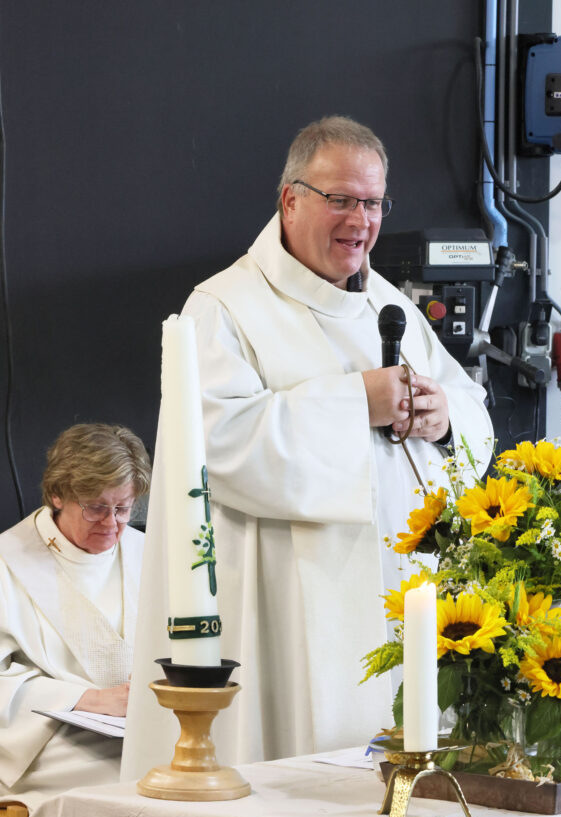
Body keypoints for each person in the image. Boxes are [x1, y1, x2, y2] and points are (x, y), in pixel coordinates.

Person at [122, 116, 492, 779]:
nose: (361, 219)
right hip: (294, 599)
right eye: (341, 199)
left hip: (400, 588)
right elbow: (220, 447)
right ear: (289, 199)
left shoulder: (385, 301)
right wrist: (359, 403)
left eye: (374, 202)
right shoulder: (224, 307)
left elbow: (468, 403)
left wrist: (443, 419)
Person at [0, 423, 151, 809]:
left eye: (123, 508)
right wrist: (87, 699)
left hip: (140, 723)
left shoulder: (149, 553)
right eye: (96, 508)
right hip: (42, 735)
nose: (112, 524)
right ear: (57, 495)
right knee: (137, 772)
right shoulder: (7, 561)